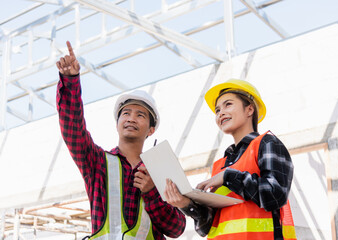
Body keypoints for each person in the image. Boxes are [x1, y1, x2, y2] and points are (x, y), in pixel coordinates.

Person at [56, 41, 185, 240]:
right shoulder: (97, 162)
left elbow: (176, 228)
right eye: (126, 113)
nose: (131, 118)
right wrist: (70, 80)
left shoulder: (162, 170)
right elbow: (73, 129)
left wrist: (151, 192)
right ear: (117, 123)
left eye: (140, 115)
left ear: (151, 130)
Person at [164, 79, 296, 240]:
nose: (220, 113)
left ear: (249, 109)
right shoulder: (220, 165)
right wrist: (185, 204)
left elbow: (275, 196)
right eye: (217, 110)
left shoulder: (266, 144)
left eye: (228, 105)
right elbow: (207, 226)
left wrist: (228, 177)